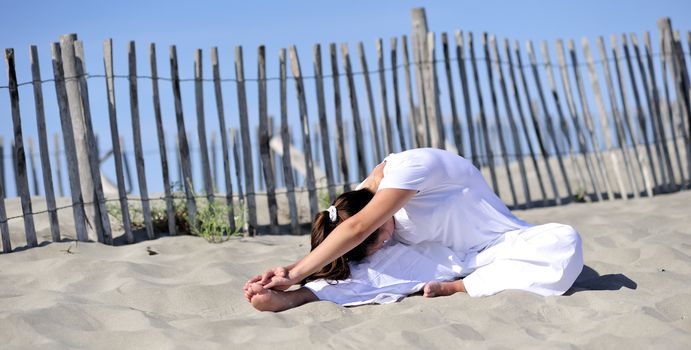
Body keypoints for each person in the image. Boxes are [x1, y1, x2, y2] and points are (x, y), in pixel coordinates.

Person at [244, 148, 583, 311]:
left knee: (565, 243)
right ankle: (299, 298)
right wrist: (297, 277)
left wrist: (292, 270)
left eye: (382, 236)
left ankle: (459, 288)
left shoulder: (410, 170)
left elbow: (359, 229)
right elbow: (347, 236)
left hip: (500, 247)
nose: (387, 238)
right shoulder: (357, 201)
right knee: (364, 266)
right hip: (441, 259)